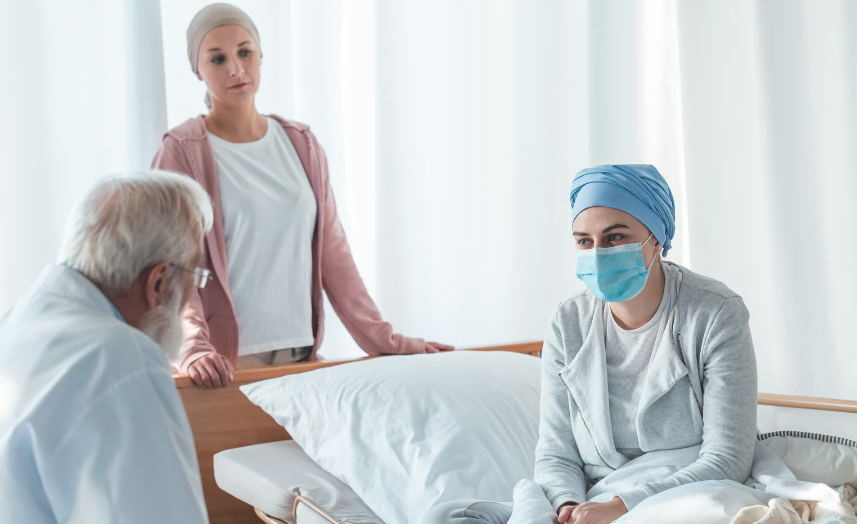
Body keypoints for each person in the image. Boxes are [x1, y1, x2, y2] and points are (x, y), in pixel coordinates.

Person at [422, 165, 757, 524]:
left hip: (681, 493)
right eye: (584, 241)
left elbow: (727, 459)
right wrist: (567, 508)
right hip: (591, 501)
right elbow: (556, 456)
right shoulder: (568, 323)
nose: (598, 253)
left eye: (614, 237)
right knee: (446, 516)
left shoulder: (714, 313)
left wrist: (622, 506)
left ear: (656, 238)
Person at [153, 3, 452, 389]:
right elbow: (174, 266)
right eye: (217, 58)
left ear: (261, 55)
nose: (235, 68)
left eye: (245, 51)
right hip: (221, 368)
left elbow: (334, 256)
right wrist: (193, 349)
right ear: (197, 71)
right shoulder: (182, 151)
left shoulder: (300, 144)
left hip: (300, 356)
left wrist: (384, 340)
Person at [0, 171, 213, 523]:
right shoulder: (120, 360)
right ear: (158, 282)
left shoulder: (15, 322)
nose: (193, 293)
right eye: (194, 275)